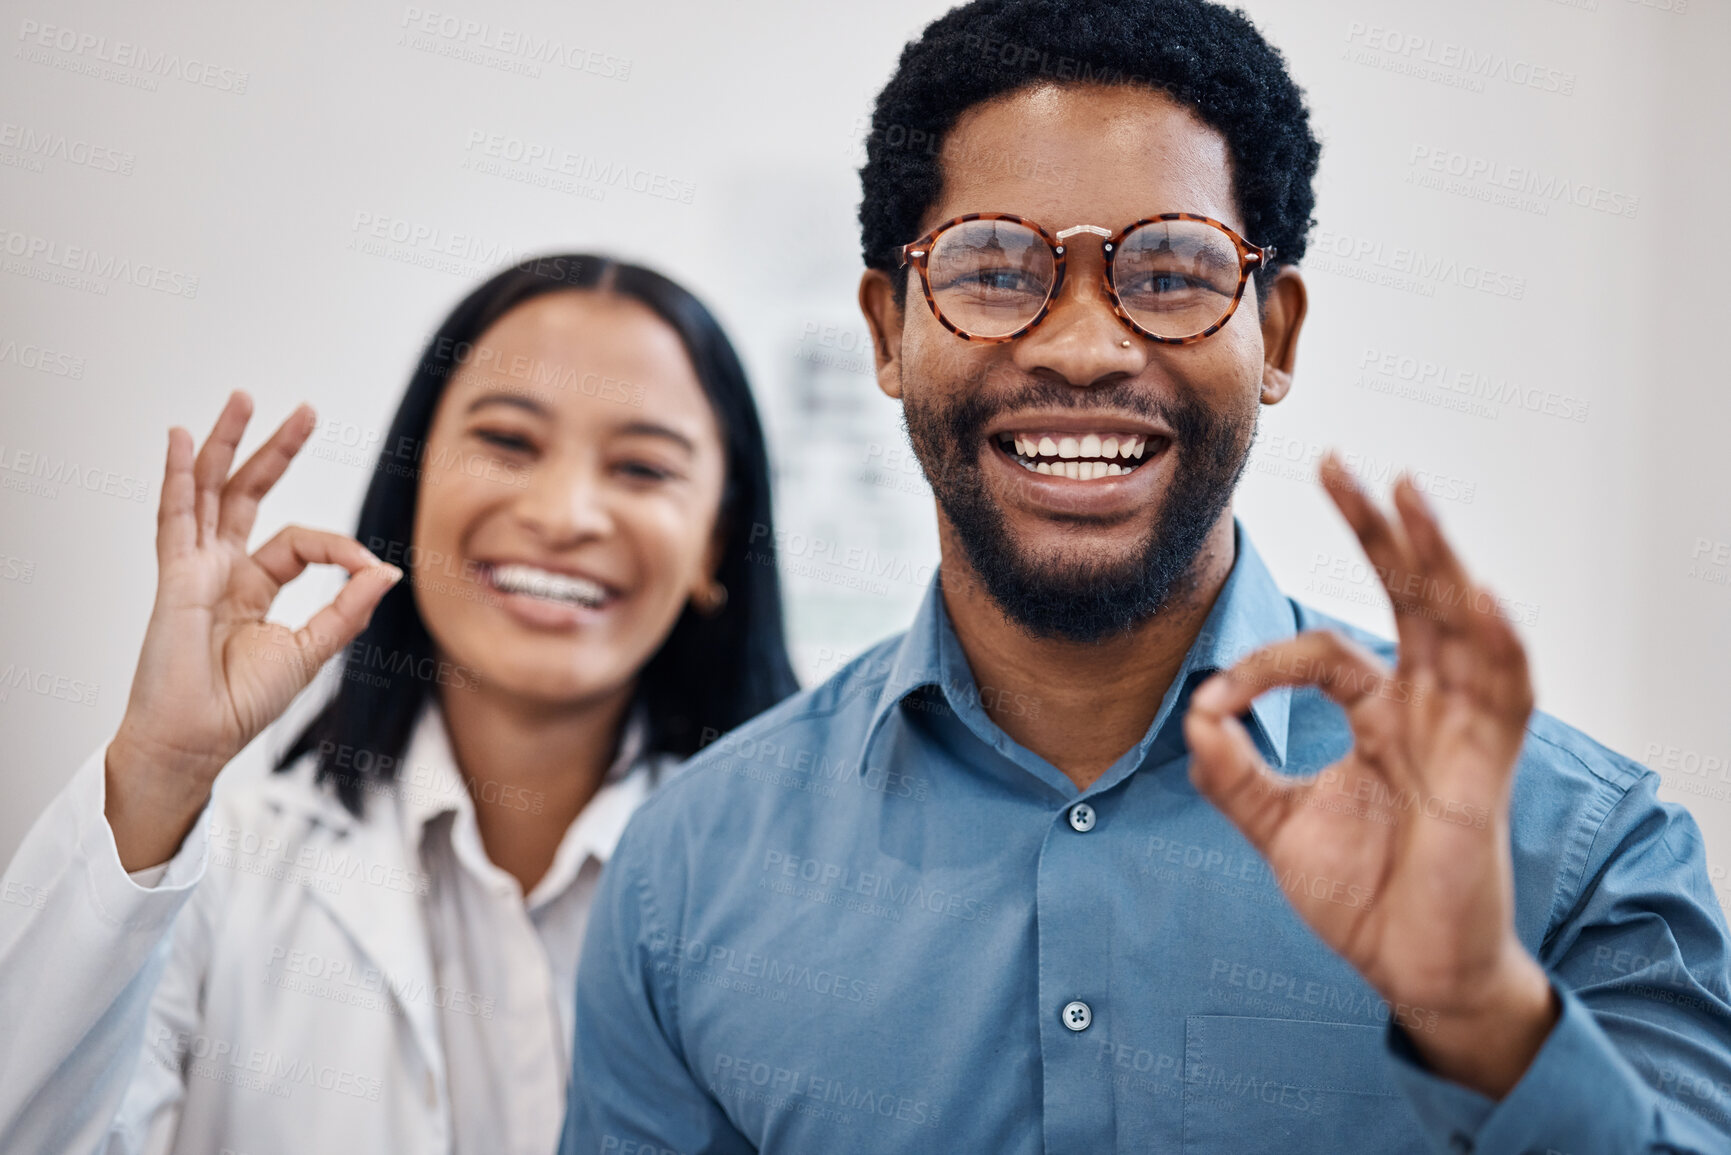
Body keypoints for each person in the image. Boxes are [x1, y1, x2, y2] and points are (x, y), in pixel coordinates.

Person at [559, 3, 1731, 1153]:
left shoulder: (1577, 847)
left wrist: (1483, 1015)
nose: (1081, 347)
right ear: (885, 333)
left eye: (1170, 275)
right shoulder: (689, 876)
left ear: (1275, 337)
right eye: (995, 269)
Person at [0, 254, 797, 1155]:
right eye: (508, 441)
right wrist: (156, 772)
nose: (565, 512)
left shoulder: (791, 900)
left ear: (715, 543)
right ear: (413, 482)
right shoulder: (223, 871)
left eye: (643, 468)